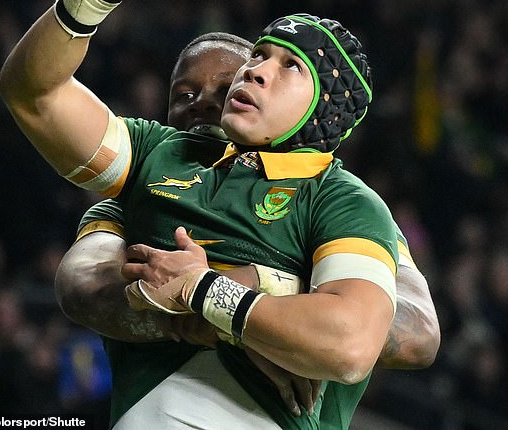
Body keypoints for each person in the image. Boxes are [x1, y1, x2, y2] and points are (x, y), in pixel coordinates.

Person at [0, 0, 435, 429]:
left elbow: (358, 339)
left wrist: (208, 292)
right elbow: (34, 93)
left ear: (322, 107)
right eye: (258, 57)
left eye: (288, 66)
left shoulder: (344, 200)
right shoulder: (156, 155)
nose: (254, 74)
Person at [54, 31, 440, 426]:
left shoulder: (339, 205)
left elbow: (416, 332)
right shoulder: (145, 184)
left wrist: (247, 290)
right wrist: (224, 320)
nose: (203, 104)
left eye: (223, 90)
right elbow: (81, 286)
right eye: (184, 95)